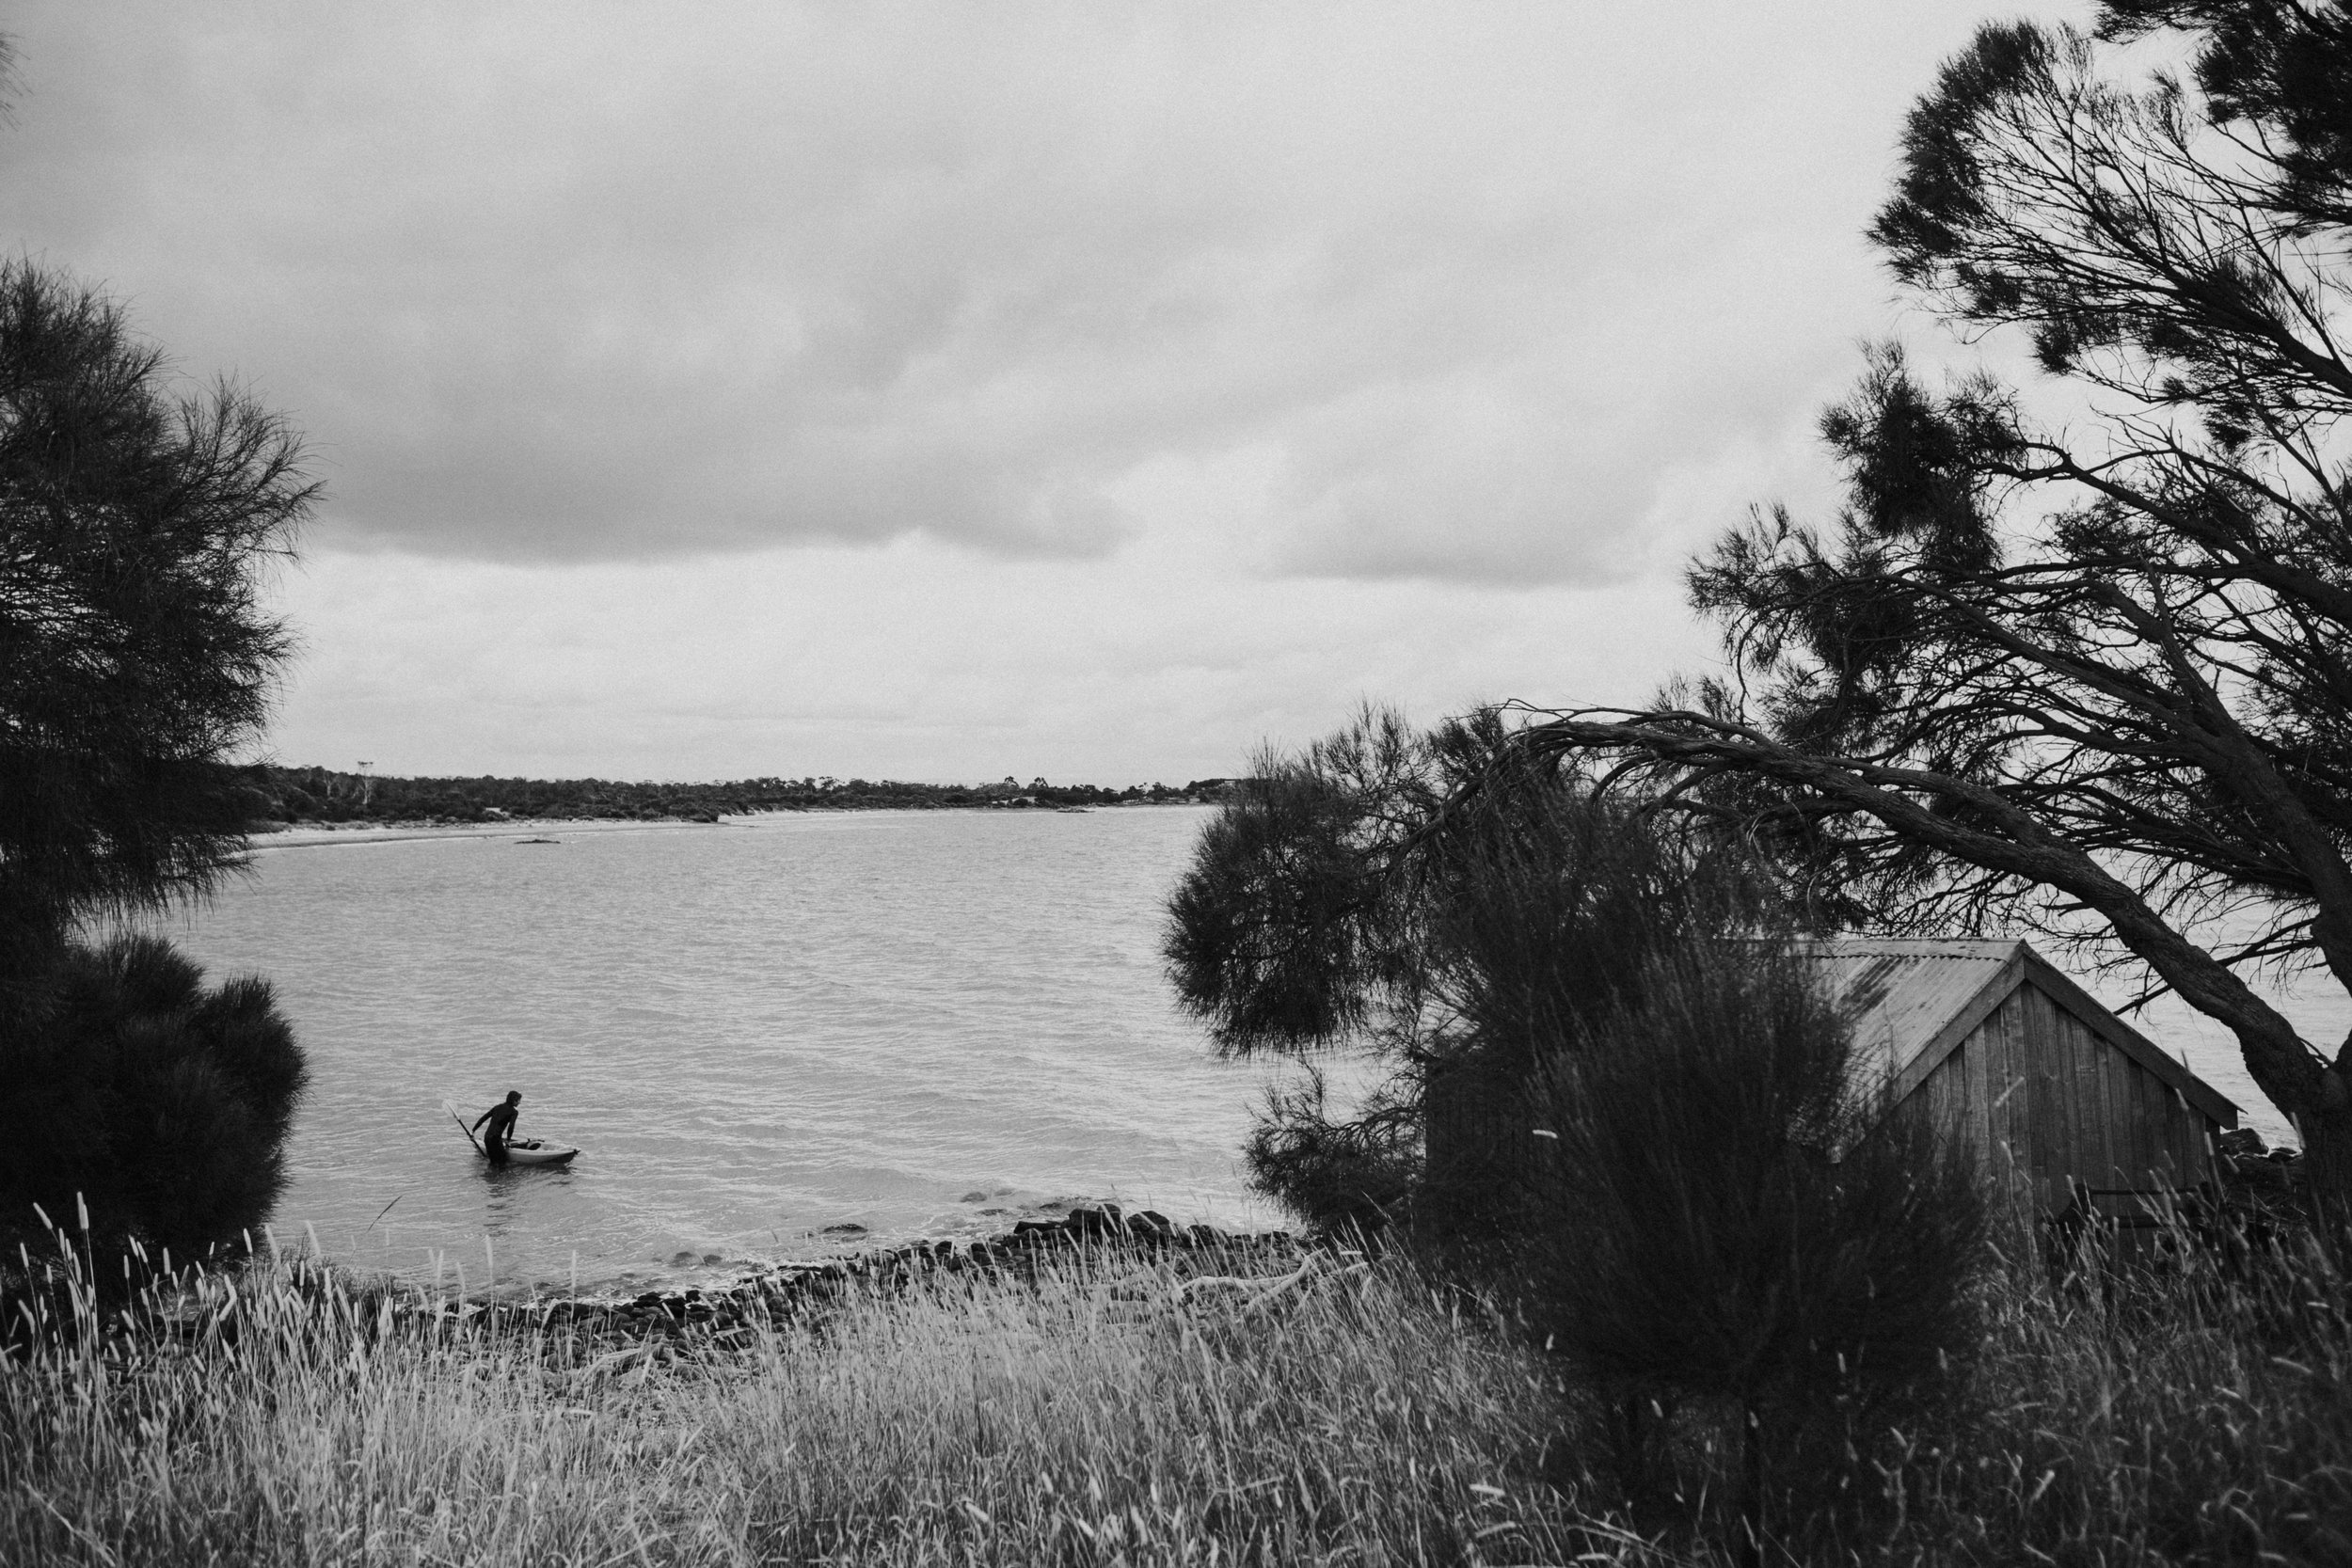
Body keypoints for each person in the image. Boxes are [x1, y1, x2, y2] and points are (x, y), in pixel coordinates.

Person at [472, 1091, 522, 1163]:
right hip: (495, 1139)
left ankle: (489, 1173)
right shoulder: (514, 1112)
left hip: (487, 1137)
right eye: (519, 1101)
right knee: (503, 1163)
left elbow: (483, 1118)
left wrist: (473, 1131)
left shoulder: (497, 1107)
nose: (519, 1103)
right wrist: (508, 1140)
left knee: (492, 1162)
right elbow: (511, 1127)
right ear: (514, 1100)